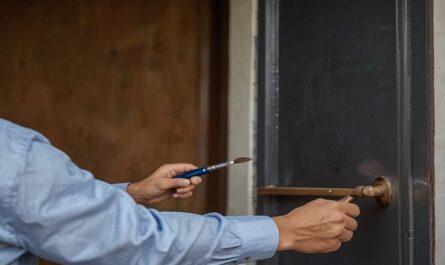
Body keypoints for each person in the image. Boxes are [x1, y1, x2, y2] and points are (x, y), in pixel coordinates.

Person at [0, 118, 360, 265]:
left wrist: (131, 195)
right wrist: (282, 231)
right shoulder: (13, 156)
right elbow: (138, 242)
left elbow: (19, 209)